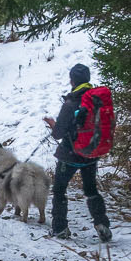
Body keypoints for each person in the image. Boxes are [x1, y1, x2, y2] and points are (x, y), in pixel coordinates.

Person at [43, 62, 113, 243]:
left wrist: (52, 123)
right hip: (91, 154)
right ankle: (102, 224)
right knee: (91, 190)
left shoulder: (71, 102)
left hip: (70, 155)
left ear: (72, 80)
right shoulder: (96, 99)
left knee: (59, 190)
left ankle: (60, 229)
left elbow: (58, 133)